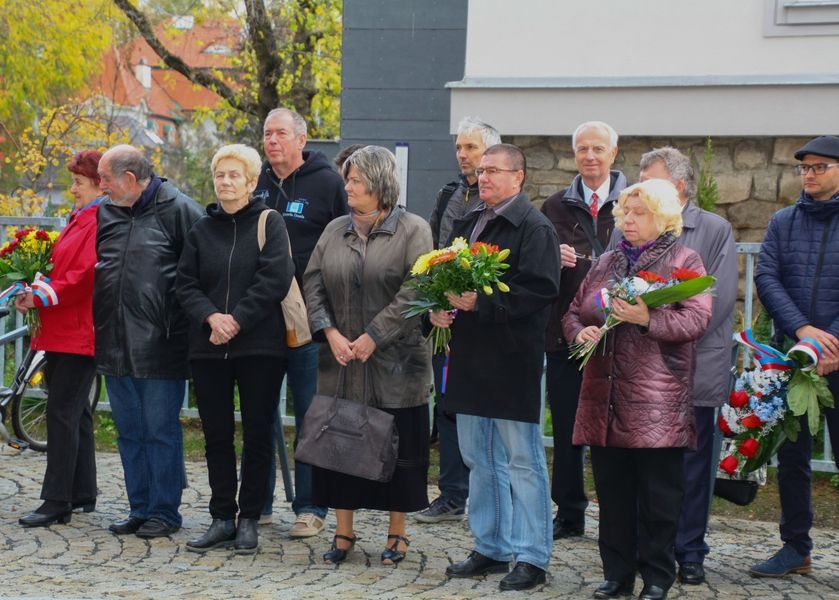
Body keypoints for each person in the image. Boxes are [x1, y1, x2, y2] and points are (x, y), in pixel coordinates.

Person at [563, 179, 712, 600]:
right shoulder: (607, 261)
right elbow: (573, 311)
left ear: (663, 217)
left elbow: (695, 322)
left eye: (639, 212)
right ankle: (617, 574)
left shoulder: (685, 260)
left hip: (657, 399)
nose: (628, 220)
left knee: (658, 497)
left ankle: (658, 576)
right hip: (603, 397)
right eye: (625, 212)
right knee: (612, 493)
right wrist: (582, 333)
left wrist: (648, 318)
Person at [432, 144, 561, 592]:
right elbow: (445, 277)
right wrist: (439, 308)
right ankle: (489, 545)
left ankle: (531, 556)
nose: (482, 177)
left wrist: (481, 302)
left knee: (522, 461)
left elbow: (541, 290)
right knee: (478, 458)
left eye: (492, 171)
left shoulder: (534, 226)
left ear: (518, 177)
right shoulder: (470, 222)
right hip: (470, 357)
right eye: (481, 170)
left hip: (511, 359)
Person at [303, 145, 433, 566]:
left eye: (356, 180)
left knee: (397, 448)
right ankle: (343, 533)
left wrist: (374, 335)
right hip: (340, 361)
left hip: (397, 365)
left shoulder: (414, 229)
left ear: (379, 184)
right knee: (338, 447)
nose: (348, 187)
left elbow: (415, 289)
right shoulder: (334, 229)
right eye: (348, 179)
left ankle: (397, 535)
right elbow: (313, 282)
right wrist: (331, 332)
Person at [176, 144, 295, 554]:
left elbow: (274, 278)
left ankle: (249, 519)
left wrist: (236, 320)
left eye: (233, 175)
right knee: (216, 436)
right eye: (220, 175)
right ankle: (221, 516)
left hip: (259, 346)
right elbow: (184, 284)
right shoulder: (200, 230)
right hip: (209, 347)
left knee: (257, 434)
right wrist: (212, 318)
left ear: (251, 181)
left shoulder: (269, 222)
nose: (225, 182)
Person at [628, 148, 737, 585]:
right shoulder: (640, 231)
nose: (639, 188)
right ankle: (649, 546)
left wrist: (656, 317)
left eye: (648, 180)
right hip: (645, 367)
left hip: (694, 365)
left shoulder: (713, 229)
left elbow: (719, 298)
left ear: (676, 187)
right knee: (648, 464)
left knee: (693, 464)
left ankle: (690, 549)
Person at [94, 144, 203, 538]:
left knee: (159, 431)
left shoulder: (180, 210)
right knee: (128, 432)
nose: (99, 185)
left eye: (105, 178)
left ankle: (164, 510)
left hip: (161, 343)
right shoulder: (106, 211)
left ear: (128, 179)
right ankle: (139, 507)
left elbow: (199, 274)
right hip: (113, 341)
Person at [251, 107, 347, 536]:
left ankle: (312, 506)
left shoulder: (328, 184)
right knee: (260, 411)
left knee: (311, 413)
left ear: (301, 141)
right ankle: (258, 502)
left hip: (310, 319)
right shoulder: (257, 183)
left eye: (280, 134)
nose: (272, 141)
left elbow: (345, 244)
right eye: (267, 134)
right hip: (260, 317)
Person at [751, 135, 839, 577]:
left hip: (837, 357)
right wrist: (804, 333)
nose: (809, 174)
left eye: (820, 167)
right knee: (792, 457)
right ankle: (795, 548)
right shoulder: (783, 221)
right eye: (805, 167)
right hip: (796, 358)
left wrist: (830, 343)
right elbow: (767, 278)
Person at [540, 121, 627, 540]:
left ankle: (616, 511)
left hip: (620, 337)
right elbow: (535, 268)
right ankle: (569, 511)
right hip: (566, 335)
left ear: (614, 153)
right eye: (582, 150)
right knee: (568, 427)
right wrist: (549, 259)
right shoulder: (554, 207)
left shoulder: (633, 203)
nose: (590, 156)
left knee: (615, 428)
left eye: (598, 149)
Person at [417, 116, 501, 524]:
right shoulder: (448, 194)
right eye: (459, 148)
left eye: (472, 148)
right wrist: (434, 306)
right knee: (446, 406)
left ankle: (487, 496)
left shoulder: (504, 202)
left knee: (481, 411)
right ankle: (451, 493)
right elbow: (433, 253)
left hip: (486, 321)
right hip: (446, 319)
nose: (463, 155)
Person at [17, 150, 103, 528]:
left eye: (78, 183)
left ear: (99, 184)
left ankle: (57, 500)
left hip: (78, 329)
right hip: (66, 327)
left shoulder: (96, 220)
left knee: (62, 413)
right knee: (76, 411)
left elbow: (84, 276)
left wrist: (39, 295)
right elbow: (64, 269)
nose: (72, 189)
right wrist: (34, 285)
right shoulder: (82, 218)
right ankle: (82, 490)